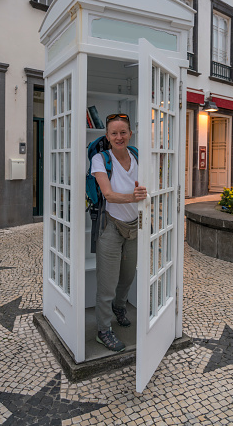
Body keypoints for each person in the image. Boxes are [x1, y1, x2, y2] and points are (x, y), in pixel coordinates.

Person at [91, 113, 147, 352]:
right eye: (114, 133)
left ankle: (119, 307)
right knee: (107, 282)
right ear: (107, 136)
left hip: (135, 224)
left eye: (123, 132)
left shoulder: (137, 155)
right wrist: (133, 197)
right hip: (110, 226)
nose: (119, 137)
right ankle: (103, 330)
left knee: (127, 277)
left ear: (130, 134)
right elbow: (109, 194)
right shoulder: (100, 159)